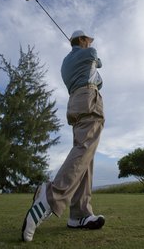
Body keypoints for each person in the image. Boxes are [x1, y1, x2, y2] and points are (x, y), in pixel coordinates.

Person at [22, 30, 105, 242]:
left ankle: (79, 215)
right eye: (88, 40)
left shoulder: (65, 64)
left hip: (75, 103)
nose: (90, 43)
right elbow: (99, 70)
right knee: (84, 149)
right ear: (82, 40)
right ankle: (49, 196)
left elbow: (97, 76)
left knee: (86, 155)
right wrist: (94, 59)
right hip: (88, 99)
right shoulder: (90, 53)